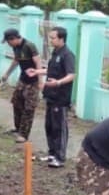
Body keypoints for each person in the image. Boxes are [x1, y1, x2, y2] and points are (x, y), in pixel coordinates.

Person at [26, 27, 76, 168]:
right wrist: (37, 71)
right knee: (49, 126)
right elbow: (52, 70)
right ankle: (52, 153)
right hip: (50, 96)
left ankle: (60, 158)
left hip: (60, 98)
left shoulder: (67, 55)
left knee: (59, 128)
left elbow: (71, 75)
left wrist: (58, 83)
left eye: (53, 38)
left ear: (61, 38)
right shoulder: (55, 53)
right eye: (50, 37)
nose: (50, 40)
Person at [0, 28, 43, 143]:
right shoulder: (15, 47)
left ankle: (24, 134)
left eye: (8, 41)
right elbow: (16, 60)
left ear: (13, 38)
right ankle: (18, 128)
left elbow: (38, 62)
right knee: (17, 103)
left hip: (33, 81)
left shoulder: (29, 46)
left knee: (29, 108)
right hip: (22, 79)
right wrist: (7, 74)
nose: (8, 44)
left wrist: (40, 81)